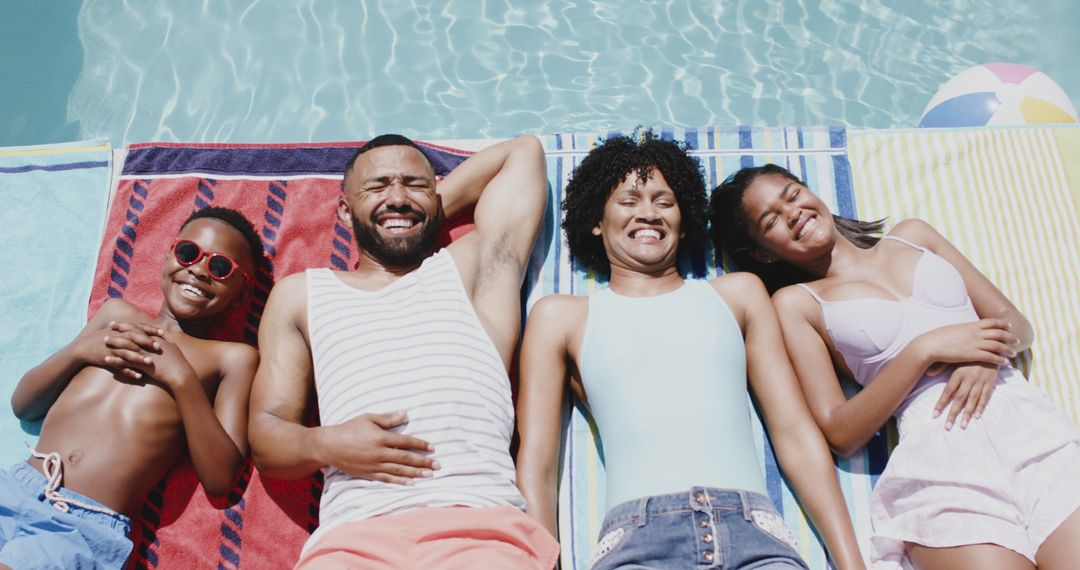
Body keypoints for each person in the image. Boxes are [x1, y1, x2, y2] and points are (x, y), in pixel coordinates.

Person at [515, 135, 865, 570]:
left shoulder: (738, 294)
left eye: (665, 202)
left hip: (754, 536)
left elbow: (793, 431)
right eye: (628, 201)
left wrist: (851, 562)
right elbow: (539, 463)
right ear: (596, 221)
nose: (648, 212)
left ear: (684, 222)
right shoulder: (561, 317)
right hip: (639, 544)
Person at [708, 163, 1080, 569]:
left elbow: (1015, 322)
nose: (792, 212)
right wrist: (923, 350)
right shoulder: (797, 304)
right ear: (763, 251)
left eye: (793, 195)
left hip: (1027, 429)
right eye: (771, 219)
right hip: (940, 457)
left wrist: (987, 355)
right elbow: (840, 431)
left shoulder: (914, 236)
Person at [248, 134, 559, 569]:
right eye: (376, 187)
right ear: (343, 209)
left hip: (479, 531)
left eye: (415, 184)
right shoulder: (301, 294)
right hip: (353, 541)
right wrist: (327, 444)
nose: (396, 197)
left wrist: (413, 211)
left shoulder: (471, 271)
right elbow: (266, 435)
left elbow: (523, 153)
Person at [3, 207, 262, 569]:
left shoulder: (231, 359)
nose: (199, 270)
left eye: (221, 268)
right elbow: (23, 404)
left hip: (82, 526)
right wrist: (79, 351)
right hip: (15, 487)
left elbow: (220, 477)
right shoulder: (116, 316)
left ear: (240, 296)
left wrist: (181, 378)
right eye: (189, 253)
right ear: (168, 257)